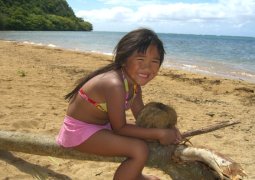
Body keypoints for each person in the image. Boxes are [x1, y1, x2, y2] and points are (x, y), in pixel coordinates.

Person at [57, 28, 182, 180]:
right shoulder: (114, 85)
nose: (147, 67)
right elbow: (120, 128)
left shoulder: (134, 85)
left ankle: (134, 175)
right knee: (139, 149)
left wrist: (169, 128)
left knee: (142, 136)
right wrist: (160, 134)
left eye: (154, 61)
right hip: (79, 132)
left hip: (101, 126)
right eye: (140, 59)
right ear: (123, 59)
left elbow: (142, 119)